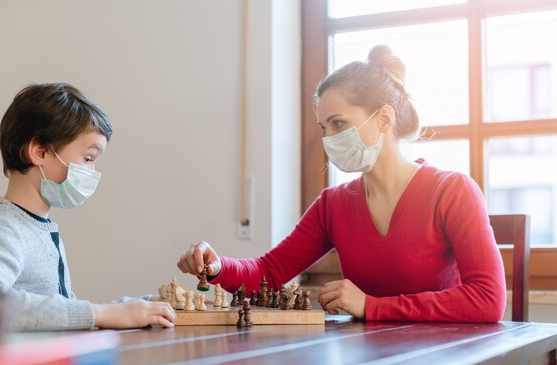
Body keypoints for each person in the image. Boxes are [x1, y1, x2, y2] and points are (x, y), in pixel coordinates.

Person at [177, 45, 506, 322]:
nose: (329, 139)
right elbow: (269, 271)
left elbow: (488, 300)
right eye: (323, 128)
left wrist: (371, 306)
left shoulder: (452, 191)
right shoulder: (332, 205)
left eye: (338, 124)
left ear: (384, 118)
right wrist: (219, 266)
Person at [0, 83, 175, 330]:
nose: (92, 171)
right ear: (39, 152)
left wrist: (136, 306)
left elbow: (59, 312)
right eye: (88, 158)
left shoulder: (39, 227)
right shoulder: (2, 226)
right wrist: (100, 314)